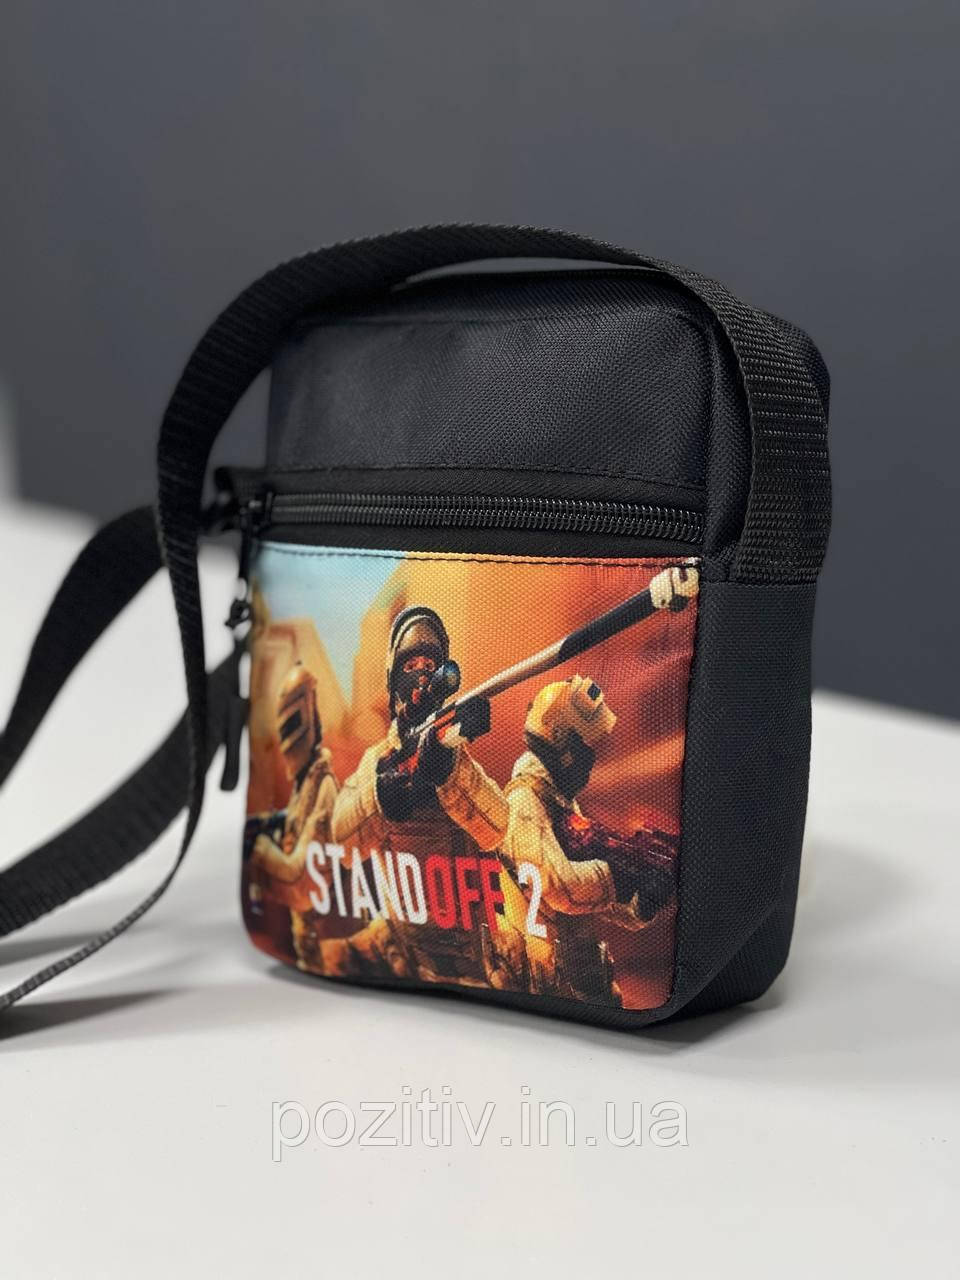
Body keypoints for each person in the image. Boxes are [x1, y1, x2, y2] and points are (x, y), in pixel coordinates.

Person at [321, 606, 526, 989]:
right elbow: (341, 841)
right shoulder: (378, 759)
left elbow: (498, 828)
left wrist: (448, 771)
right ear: (394, 678)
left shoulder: (454, 755)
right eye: (410, 665)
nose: (421, 675)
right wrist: (381, 795)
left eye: (430, 666)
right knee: (322, 961)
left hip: (465, 955)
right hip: (399, 943)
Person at [500, 675, 676, 1004]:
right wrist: (619, 876)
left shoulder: (559, 801)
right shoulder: (524, 801)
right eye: (584, 745)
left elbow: (593, 895)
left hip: (579, 976)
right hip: (540, 981)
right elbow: (558, 888)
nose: (590, 756)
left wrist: (641, 903)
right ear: (560, 739)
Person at [247, 662, 338, 969]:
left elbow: (302, 885)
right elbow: (300, 825)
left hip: (329, 953)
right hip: (308, 957)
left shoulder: (323, 786)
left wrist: (259, 850)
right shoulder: (305, 785)